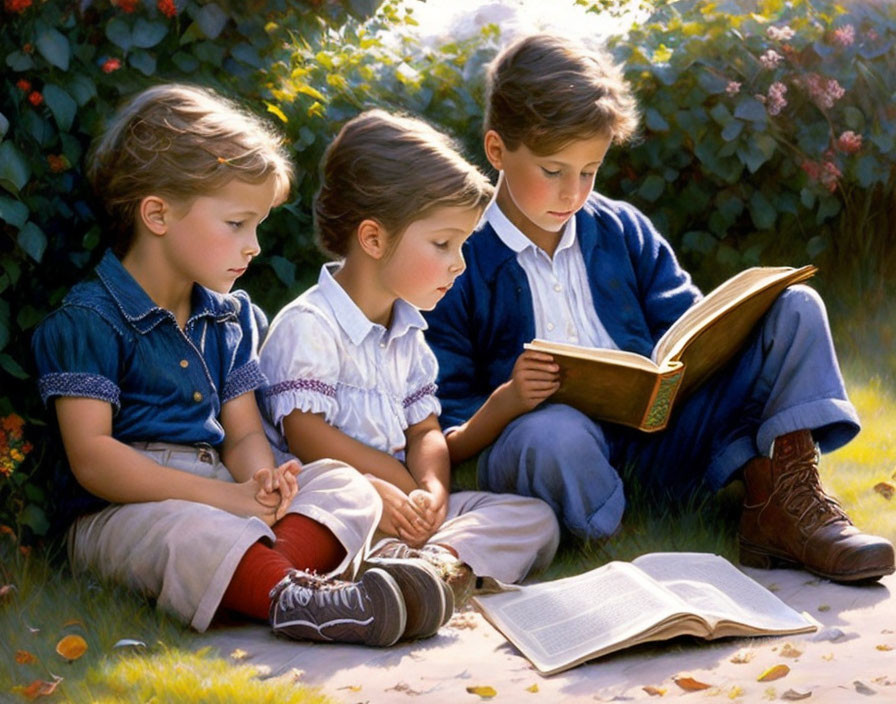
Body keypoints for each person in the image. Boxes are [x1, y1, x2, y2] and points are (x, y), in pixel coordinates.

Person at [422, 34, 895, 584]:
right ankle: (622, 540)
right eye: (553, 171)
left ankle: (785, 499)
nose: (573, 192)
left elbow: (689, 330)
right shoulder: (460, 258)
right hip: (550, 447)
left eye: (590, 170)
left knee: (795, 307)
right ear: (498, 150)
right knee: (550, 436)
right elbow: (446, 418)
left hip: (659, 436)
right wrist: (511, 401)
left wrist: (713, 340)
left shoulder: (621, 227)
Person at [31, 84, 434, 649]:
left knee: (346, 484)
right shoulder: (89, 320)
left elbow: (243, 430)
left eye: (258, 226)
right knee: (193, 534)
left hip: (223, 490)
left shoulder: (229, 318)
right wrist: (228, 500)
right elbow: (94, 460)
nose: (254, 247)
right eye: (237, 224)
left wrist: (259, 483)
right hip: (125, 512)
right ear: (158, 214)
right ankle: (295, 593)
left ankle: (286, 587)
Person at [257, 109, 560, 611]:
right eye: (443, 243)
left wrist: (433, 490)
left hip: (405, 504)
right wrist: (395, 486)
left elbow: (425, 432)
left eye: (461, 244)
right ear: (374, 239)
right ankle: (400, 571)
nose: (459, 262)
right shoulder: (309, 324)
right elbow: (306, 436)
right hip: (336, 500)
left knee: (534, 518)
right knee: (338, 502)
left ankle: (426, 565)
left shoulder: (410, 334)